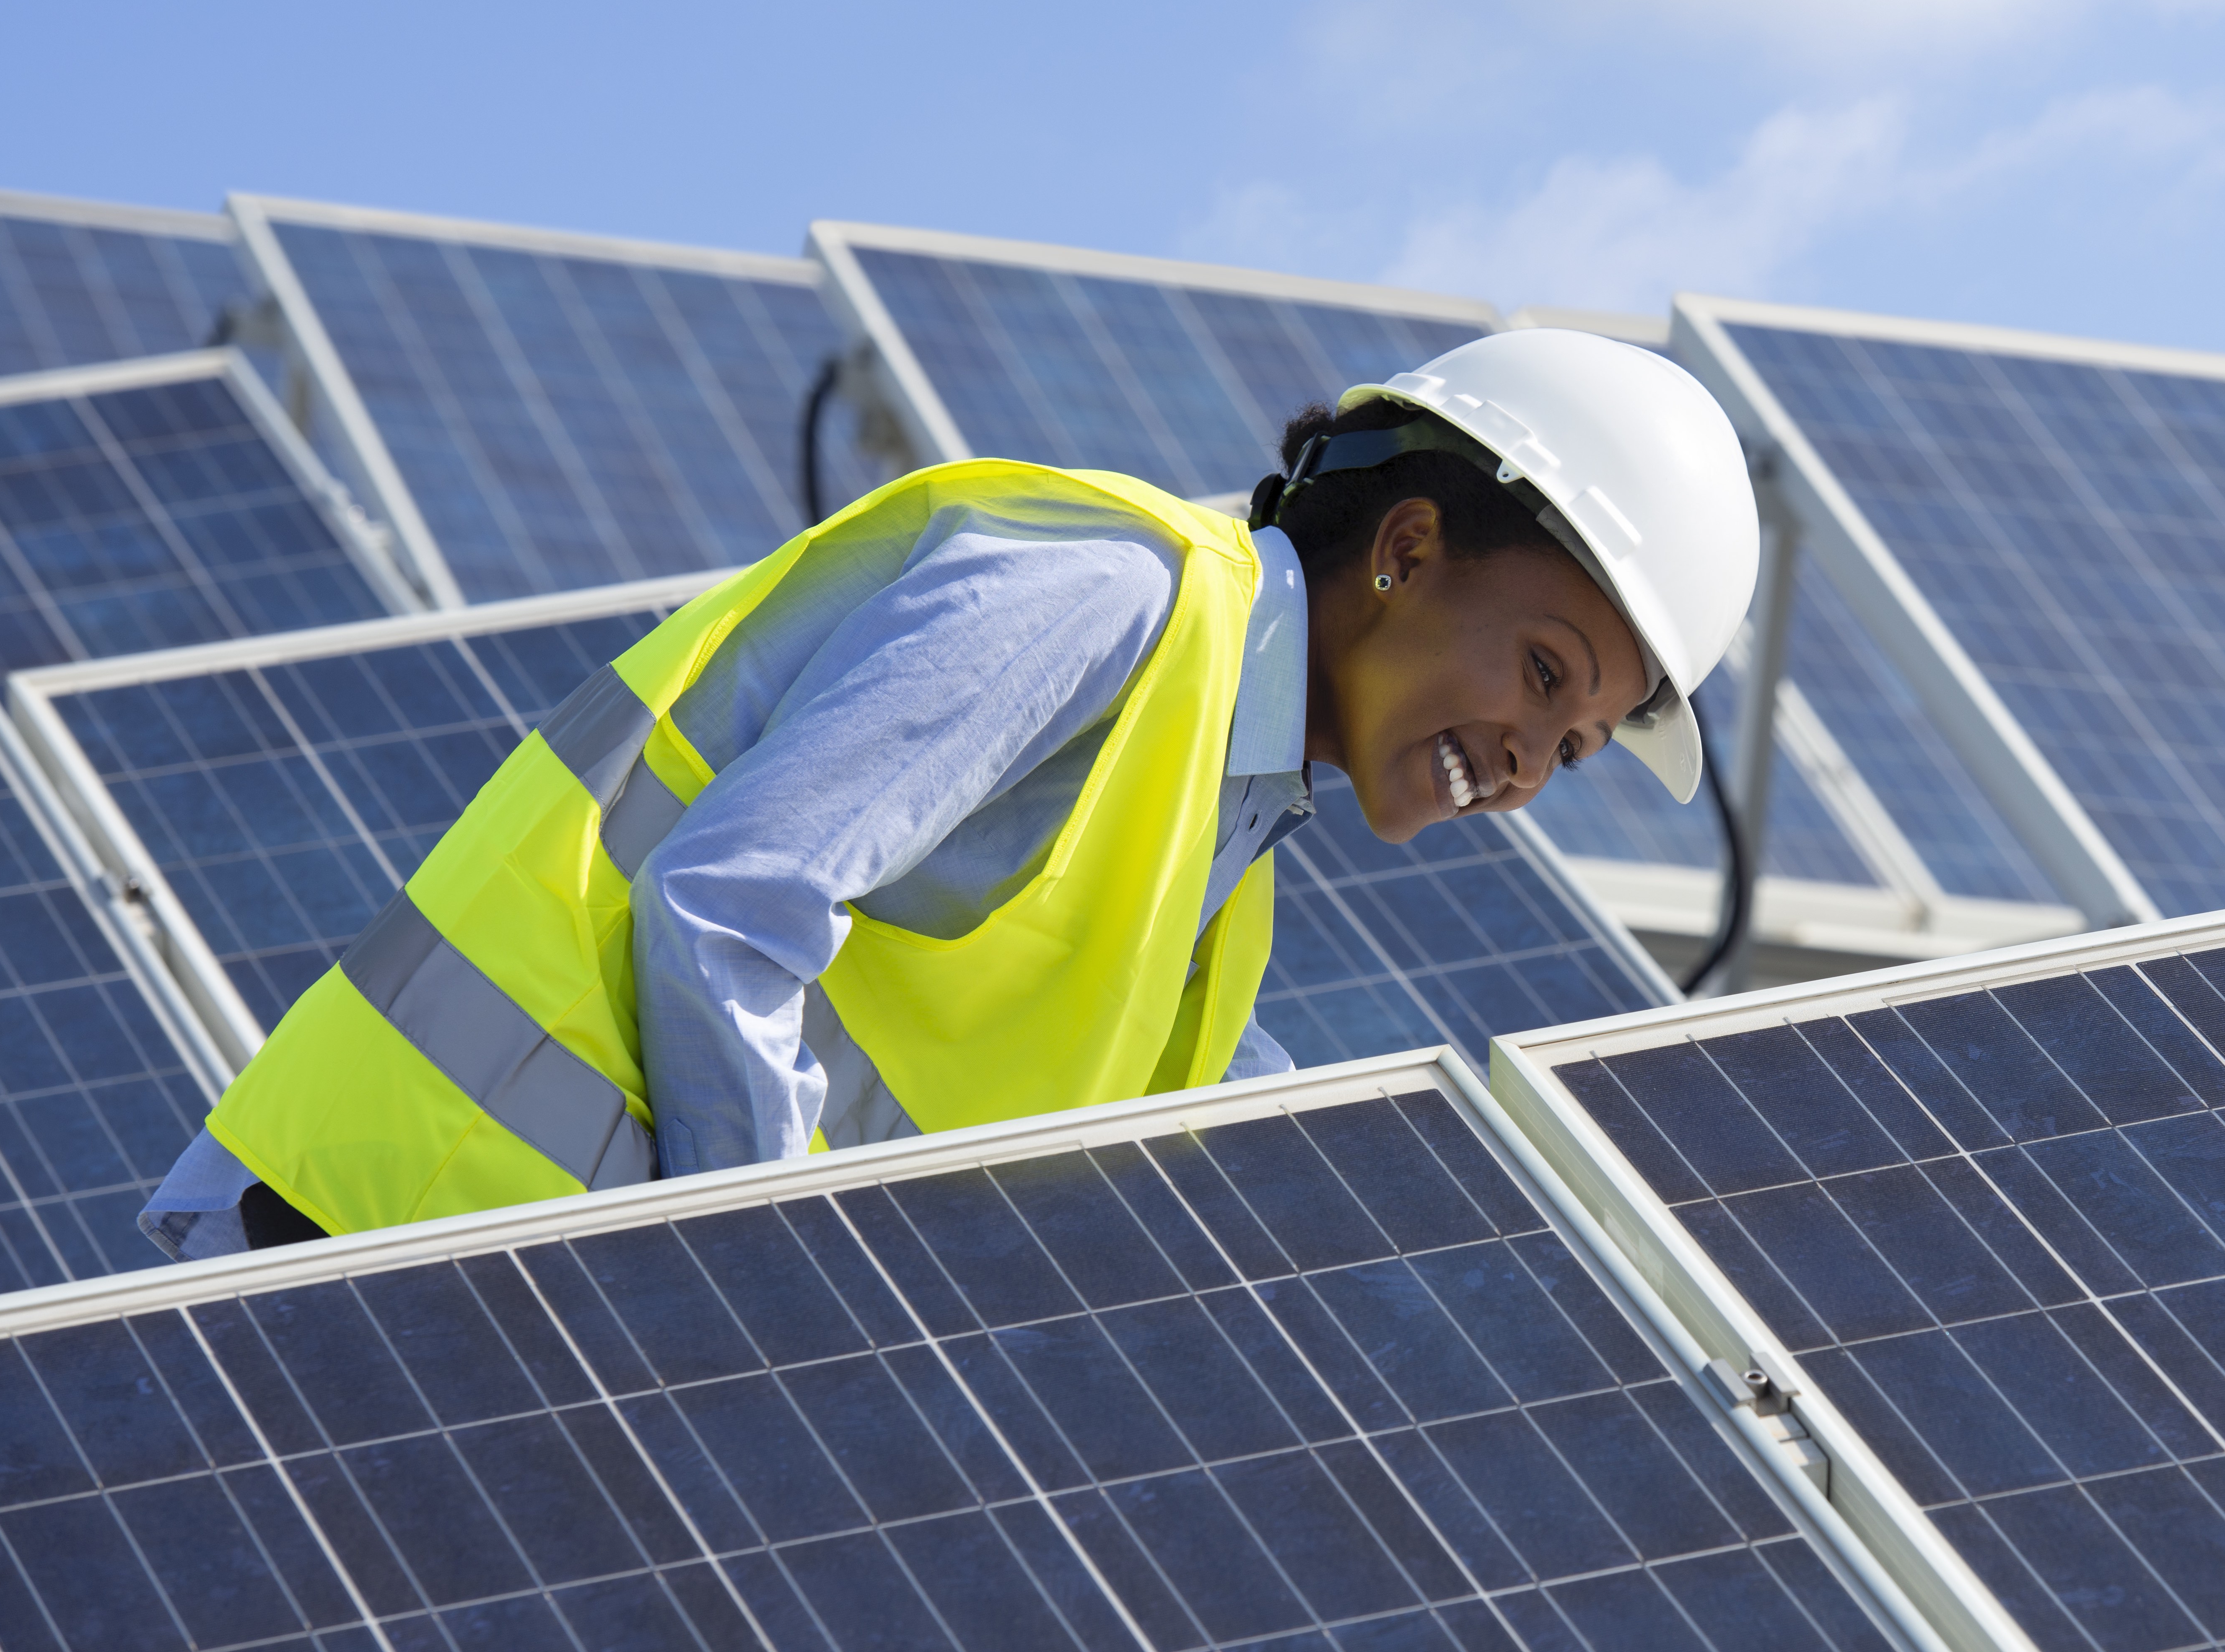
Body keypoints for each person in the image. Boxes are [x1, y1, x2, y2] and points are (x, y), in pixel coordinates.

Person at [136, 328, 1760, 1254]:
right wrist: (770, 1301)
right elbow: (731, 903)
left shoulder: (1226, 866)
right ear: (1406, 550)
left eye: (1583, 742)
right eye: (1545, 674)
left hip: (518, 1294)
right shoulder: (1108, 593)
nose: (1533, 763)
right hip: (379, 1233)